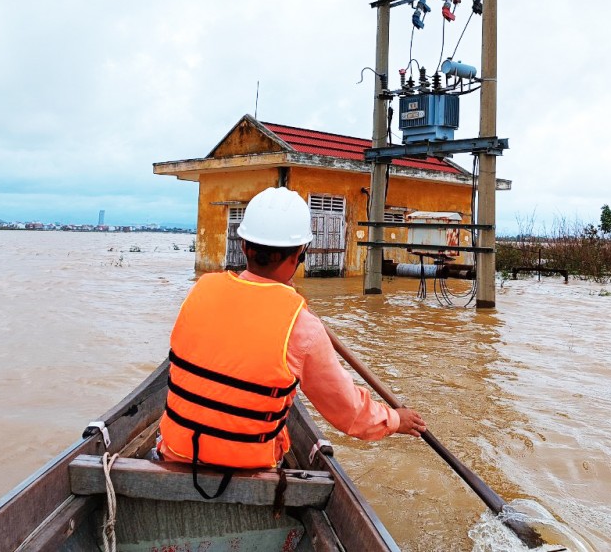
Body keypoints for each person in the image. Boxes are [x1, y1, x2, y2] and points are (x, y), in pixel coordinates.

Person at [157, 186, 425, 491]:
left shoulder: (200, 290)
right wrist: (395, 420)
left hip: (175, 452)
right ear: (300, 254)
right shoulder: (303, 326)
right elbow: (350, 413)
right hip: (250, 471)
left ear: (243, 246)